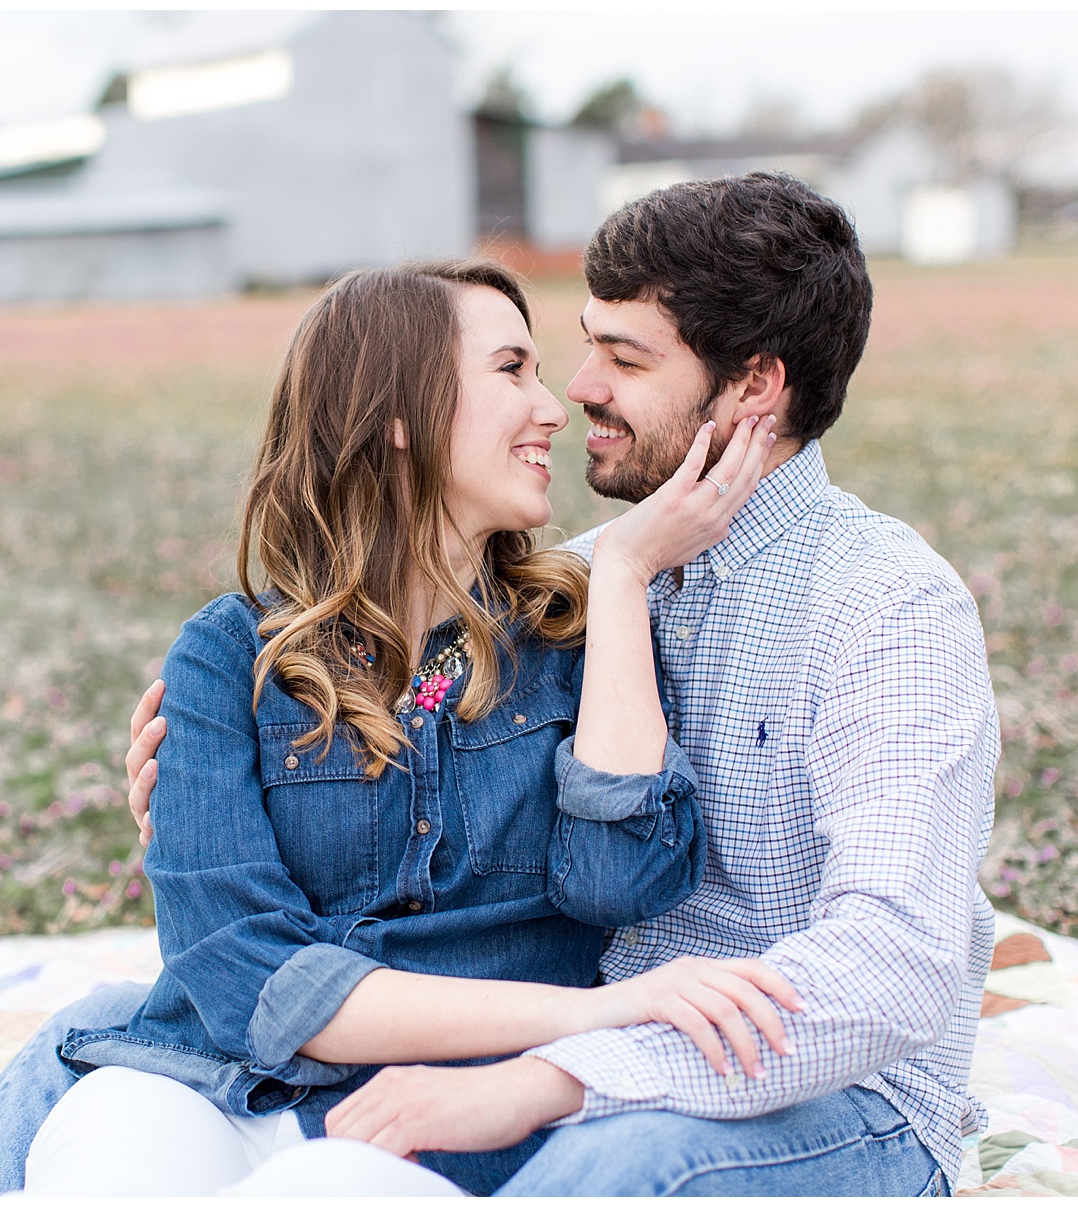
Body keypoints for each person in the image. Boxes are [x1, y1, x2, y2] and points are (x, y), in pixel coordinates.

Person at [124, 173, 1000, 1197]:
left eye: (623, 358)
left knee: (600, 1170)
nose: (576, 389)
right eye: (581, 346)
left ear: (755, 387)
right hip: (580, 1049)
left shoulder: (887, 606)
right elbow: (400, 763)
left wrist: (560, 1078)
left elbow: (893, 969)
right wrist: (209, 794)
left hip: (827, 1097)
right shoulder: (576, 583)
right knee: (111, 1074)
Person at [0, 259, 800, 1198]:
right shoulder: (230, 655)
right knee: (115, 1137)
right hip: (213, 1087)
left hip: (436, 1129)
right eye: (511, 370)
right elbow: (248, 974)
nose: (552, 407)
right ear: (398, 414)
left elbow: (623, 879)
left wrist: (622, 576)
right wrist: (607, 1010)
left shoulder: (575, 638)